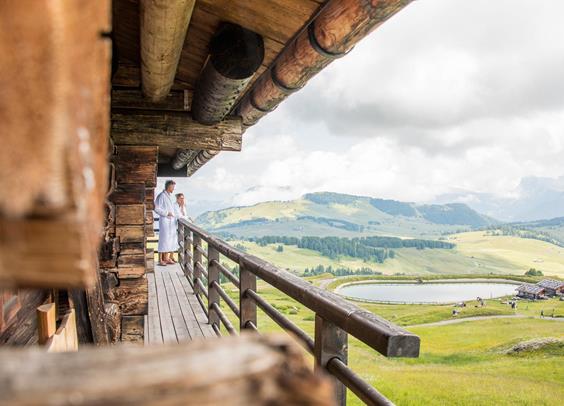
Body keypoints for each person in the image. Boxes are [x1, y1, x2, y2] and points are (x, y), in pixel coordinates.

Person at [155, 180, 178, 266]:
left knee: (168, 240)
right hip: (165, 221)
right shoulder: (161, 196)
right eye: (173, 187)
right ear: (169, 187)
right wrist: (166, 213)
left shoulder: (169, 196)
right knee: (163, 239)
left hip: (170, 222)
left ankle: (166, 258)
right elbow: (156, 208)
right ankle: (160, 260)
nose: (173, 189)